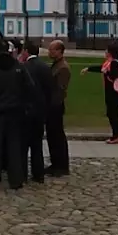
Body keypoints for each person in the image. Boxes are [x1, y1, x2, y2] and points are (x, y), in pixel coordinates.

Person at [0, 38, 35, 191]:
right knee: (14, 147)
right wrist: (24, 105)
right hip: (15, 112)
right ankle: (16, 179)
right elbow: (30, 87)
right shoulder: (18, 66)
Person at [82, 42, 118, 144]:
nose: (105, 52)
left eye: (106, 51)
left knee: (113, 114)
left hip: (114, 93)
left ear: (110, 52)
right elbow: (101, 68)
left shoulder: (113, 63)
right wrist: (89, 69)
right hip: (111, 92)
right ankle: (115, 135)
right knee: (111, 113)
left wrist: (106, 72)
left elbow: (114, 75)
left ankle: (116, 136)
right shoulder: (109, 62)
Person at [23, 40, 53, 183]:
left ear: (26, 51)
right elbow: (49, 90)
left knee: (22, 144)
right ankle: (38, 173)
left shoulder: (24, 67)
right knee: (37, 144)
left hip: (25, 110)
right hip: (40, 110)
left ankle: (21, 173)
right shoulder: (45, 67)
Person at [46, 39, 71, 176]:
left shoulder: (63, 68)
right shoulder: (56, 65)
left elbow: (59, 90)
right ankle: (55, 163)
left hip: (55, 106)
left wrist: (51, 104)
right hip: (51, 105)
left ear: (59, 51)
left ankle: (61, 165)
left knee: (57, 136)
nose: (49, 52)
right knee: (52, 136)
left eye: (52, 50)